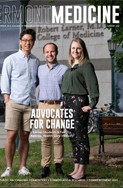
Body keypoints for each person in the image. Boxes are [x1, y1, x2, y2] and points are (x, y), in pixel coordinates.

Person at [0, 28, 40, 177]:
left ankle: (22, 167)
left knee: (25, 136)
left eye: (30, 40)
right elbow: (5, 81)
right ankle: (9, 168)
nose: (27, 43)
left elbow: (35, 81)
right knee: (11, 135)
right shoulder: (10, 59)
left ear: (33, 42)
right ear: (20, 42)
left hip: (29, 104)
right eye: (24, 40)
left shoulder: (36, 61)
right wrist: (7, 100)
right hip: (14, 103)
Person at [61, 38, 99, 180]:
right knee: (73, 137)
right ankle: (76, 168)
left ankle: (82, 171)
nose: (75, 51)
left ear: (82, 49)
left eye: (78, 48)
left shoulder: (86, 65)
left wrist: (92, 103)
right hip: (67, 103)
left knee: (81, 137)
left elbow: (93, 85)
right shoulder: (71, 65)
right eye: (73, 48)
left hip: (78, 103)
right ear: (70, 50)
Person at [38, 43, 68, 178]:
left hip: (58, 106)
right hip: (43, 105)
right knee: (45, 138)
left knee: (57, 138)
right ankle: (45, 166)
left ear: (57, 52)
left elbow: (67, 90)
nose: (49, 54)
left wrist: (64, 104)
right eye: (47, 52)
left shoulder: (64, 69)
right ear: (44, 53)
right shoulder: (39, 69)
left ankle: (58, 165)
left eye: (52, 51)